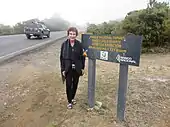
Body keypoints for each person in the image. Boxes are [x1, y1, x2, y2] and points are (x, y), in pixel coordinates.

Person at [60, 27, 86, 109]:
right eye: (70, 34)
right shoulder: (64, 44)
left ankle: (73, 98)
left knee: (75, 84)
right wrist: (63, 69)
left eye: (74, 34)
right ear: (68, 34)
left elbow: (83, 57)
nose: (72, 35)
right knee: (68, 85)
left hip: (77, 68)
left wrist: (82, 67)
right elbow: (61, 58)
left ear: (76, 35)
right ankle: (69, 101)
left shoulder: (79, 44)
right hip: (67, 68)